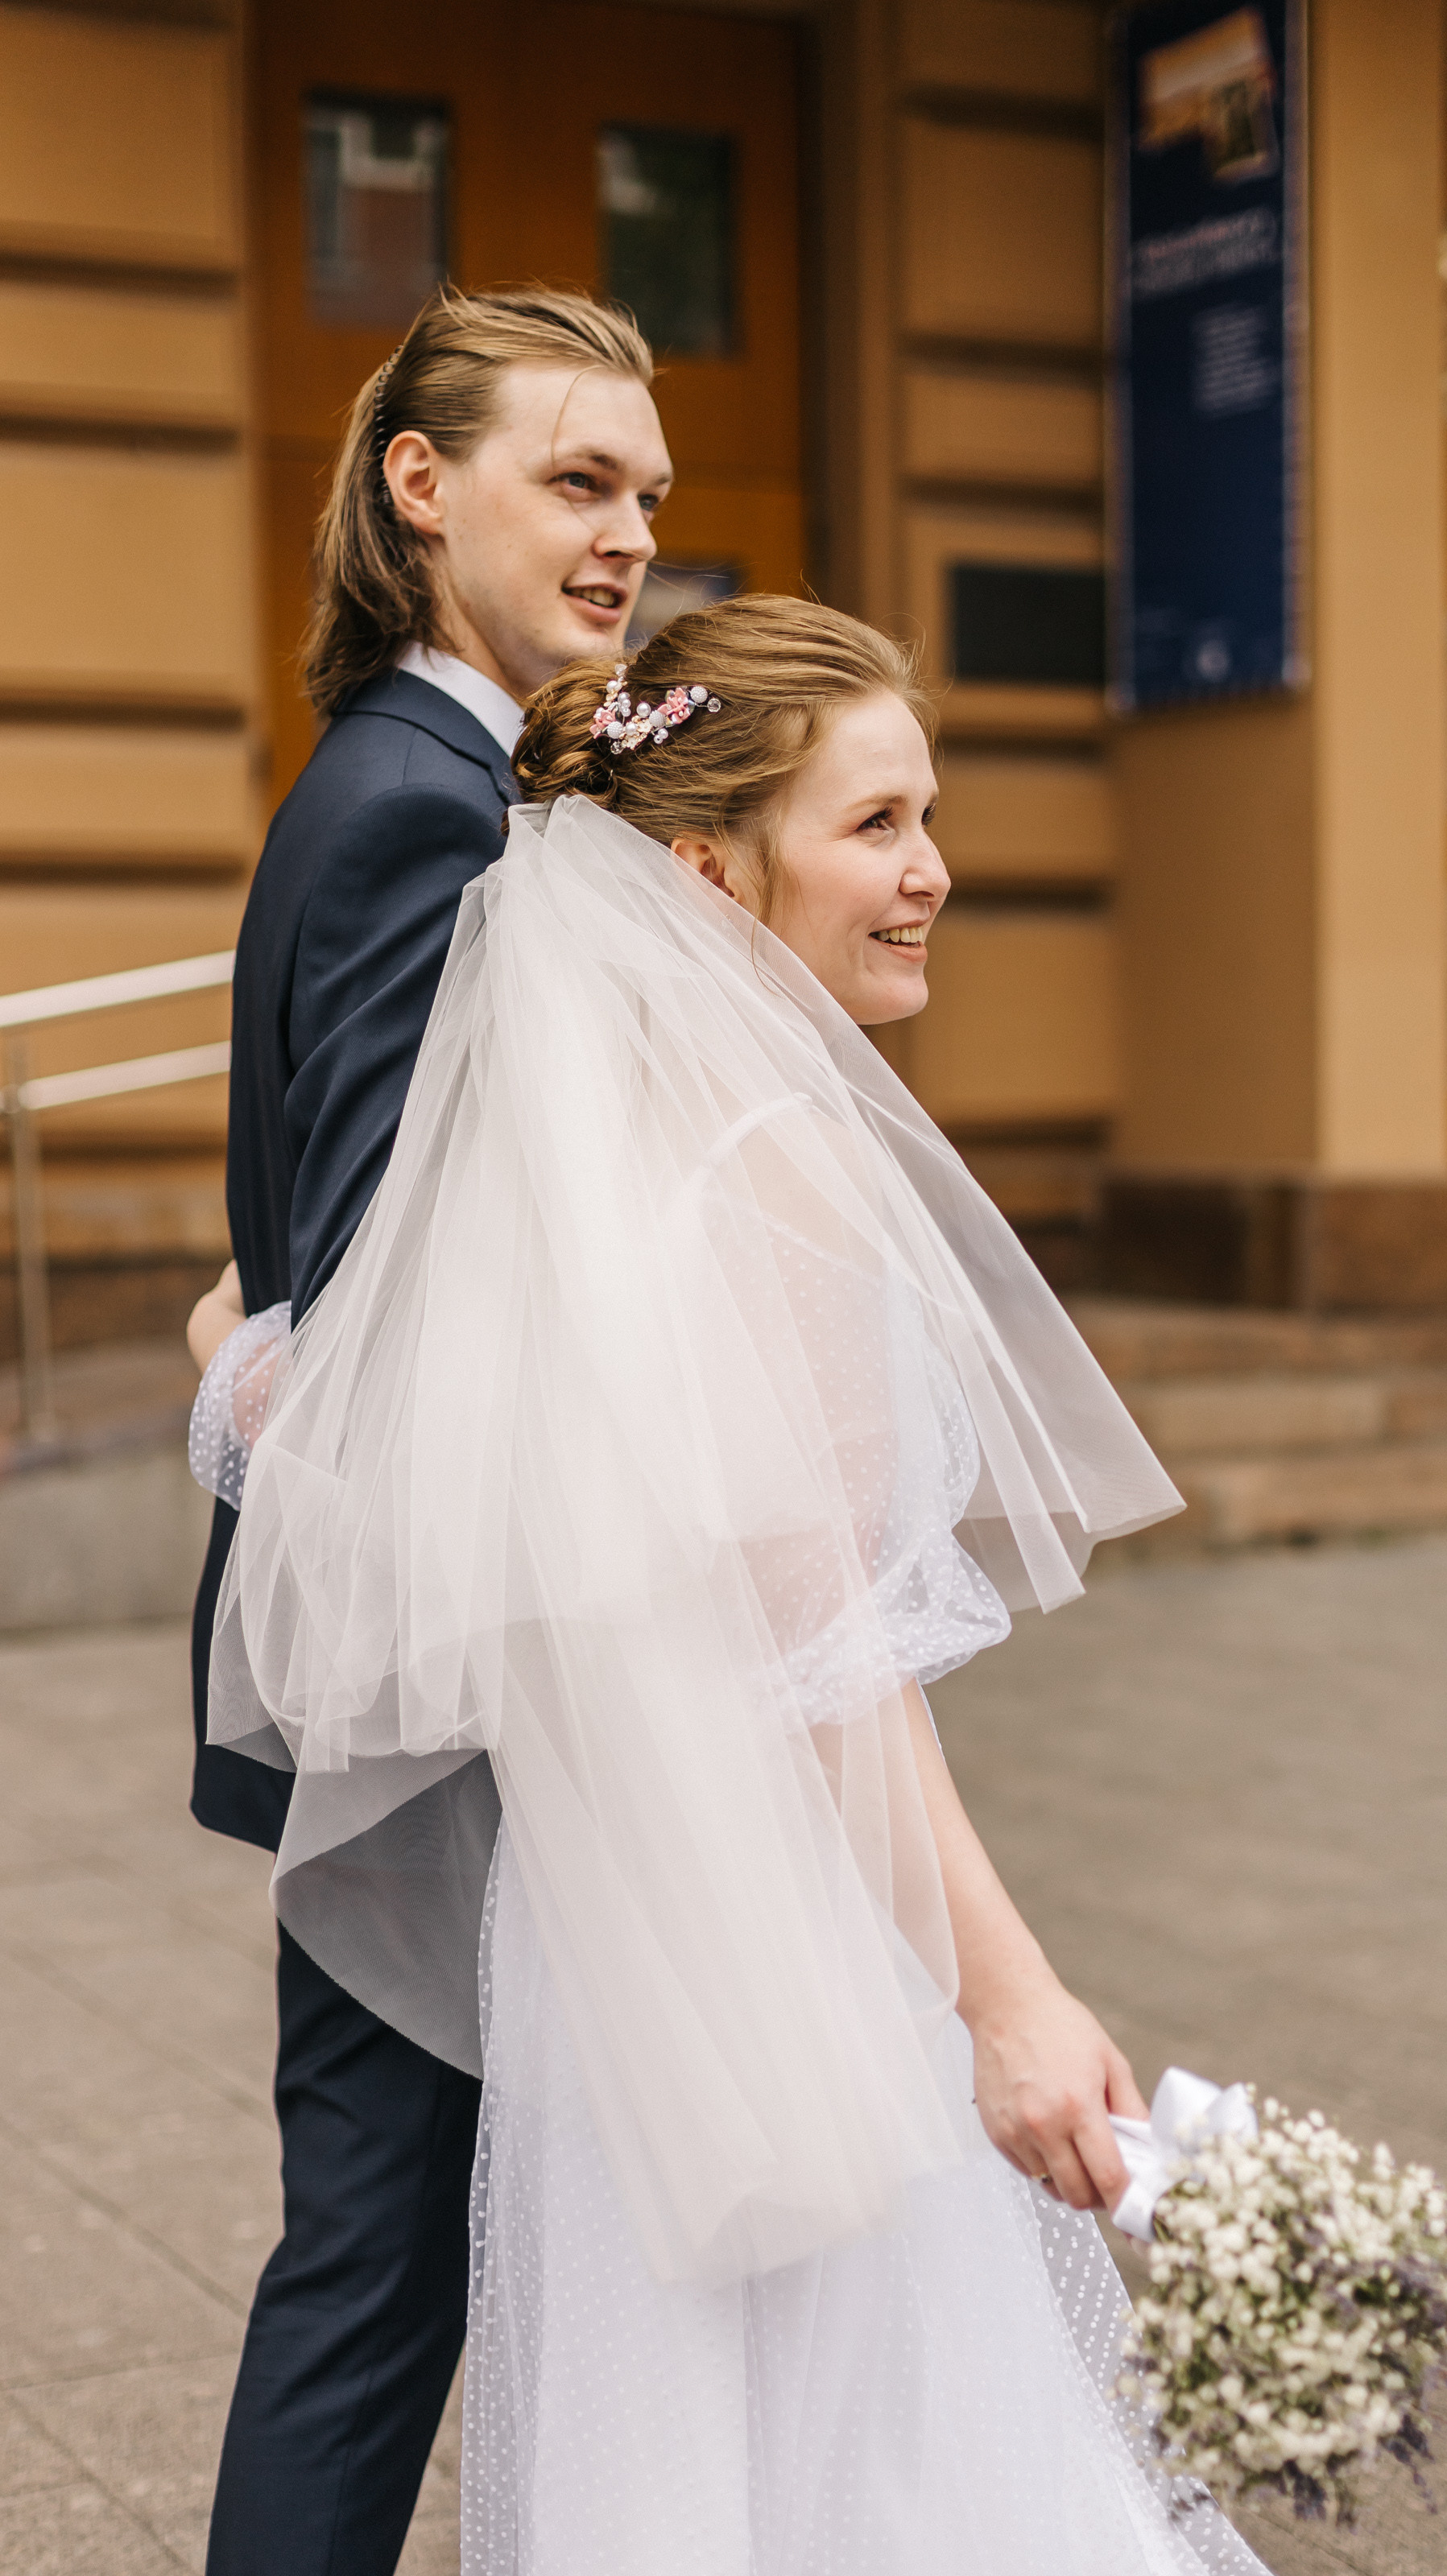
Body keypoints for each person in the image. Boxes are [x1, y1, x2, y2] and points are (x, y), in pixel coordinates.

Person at [197, 596, 1273, 2574]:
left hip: (602, 1961)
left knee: (687, 2477)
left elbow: (354, 1452)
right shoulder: (773, 1162)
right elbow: (827, 1658)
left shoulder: (562, 1154)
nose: (929, 870)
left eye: (927, 815)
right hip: (769, 1938)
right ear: (706, 868)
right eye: (872, 825)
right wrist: (1012, 2002)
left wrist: (229, 1363)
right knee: (881, 2473)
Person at [186, 281, 670, 2576]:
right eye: (576, 480)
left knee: (403, 2254)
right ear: (420, 486)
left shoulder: (443, 775)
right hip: (429, 1686)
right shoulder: (416, 805)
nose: (625, 535)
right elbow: (397, 1316)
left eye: (645, 496)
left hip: (435, 1657)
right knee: (377, 2273)